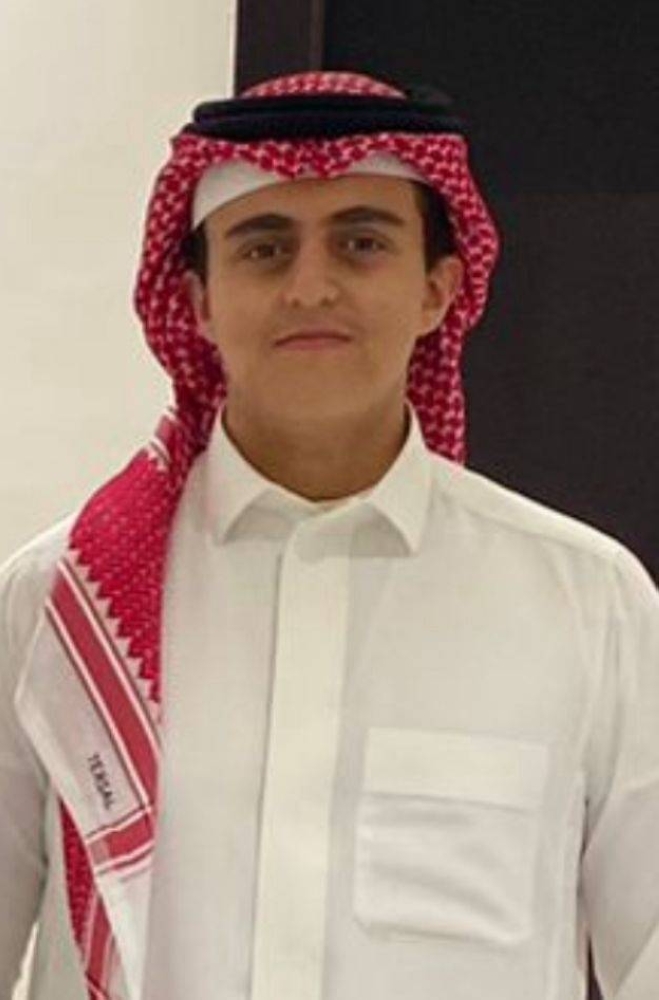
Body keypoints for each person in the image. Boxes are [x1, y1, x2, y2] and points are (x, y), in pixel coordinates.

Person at [0, 70, 658, 1000]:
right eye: (264, 248)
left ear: (437, 290)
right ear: (198, 301)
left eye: (361, 243)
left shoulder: (587, 602)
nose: (310, 286)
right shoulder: (61, 604)